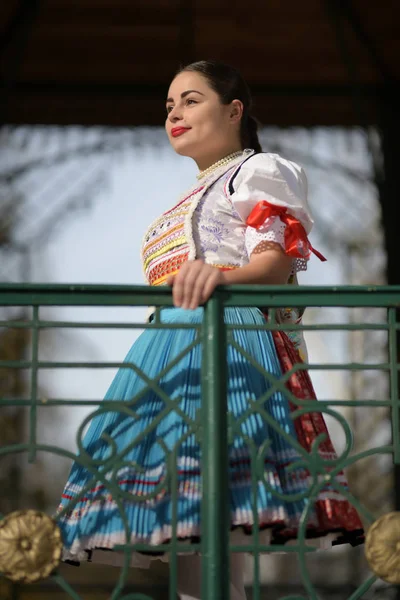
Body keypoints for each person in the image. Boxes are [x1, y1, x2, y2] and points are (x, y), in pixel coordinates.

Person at [56, 60, 364, 600]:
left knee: (217, 511)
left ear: (234, 110)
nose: (175, 113)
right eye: (169, 105)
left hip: (227, 344)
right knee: (191, 526)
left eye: (191, 99)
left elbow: (273, 264)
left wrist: (218, 278)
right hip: (170, 352)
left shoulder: (259, 171)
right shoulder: (191, 196)